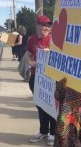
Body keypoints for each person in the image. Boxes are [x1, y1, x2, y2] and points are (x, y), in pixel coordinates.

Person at [26, 15, 56, 146]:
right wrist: (30, 63)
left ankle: (53, 134)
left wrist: (50, 53)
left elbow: (61, 56)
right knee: (40, 106)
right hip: (35, 77)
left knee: (51, 106)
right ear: (37, 25)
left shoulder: (53, 40)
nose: (46, 28)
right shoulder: (32, 39)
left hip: (50, 79)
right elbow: (28, 55)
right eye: (44, 25)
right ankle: (43, 132)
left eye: (48, 26)